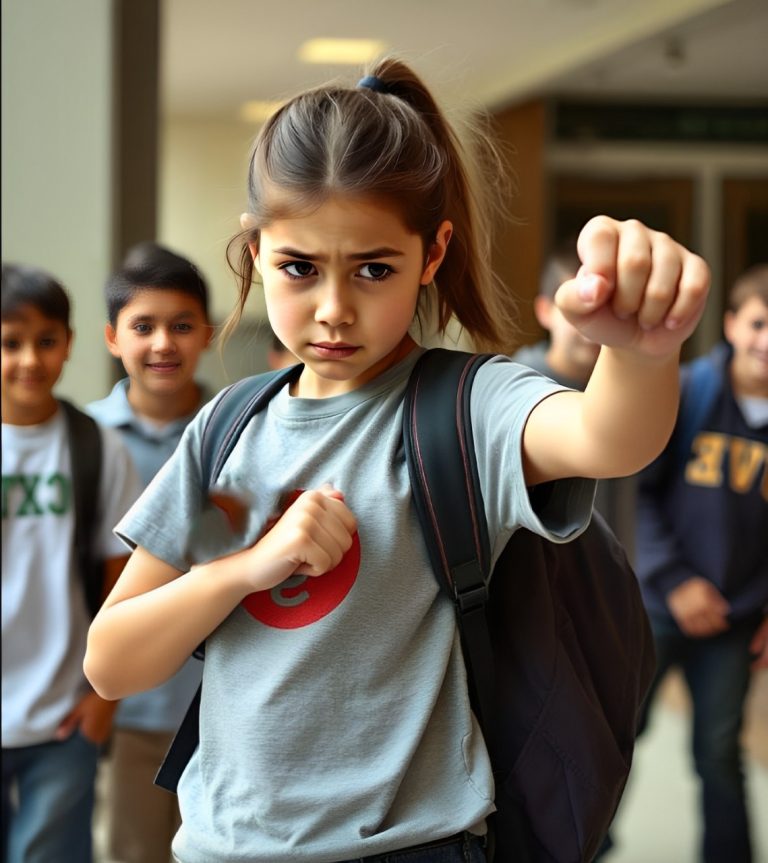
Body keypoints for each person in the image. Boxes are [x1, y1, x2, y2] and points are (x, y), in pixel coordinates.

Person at [83, 57, 709, 863]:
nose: (335, 309)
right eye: (299, 269)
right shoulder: (227, 427)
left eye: (374, 268)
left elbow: (605, 437)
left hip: (414, 845)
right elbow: (110, 661)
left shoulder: (464, 405)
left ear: (434, 250)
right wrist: (248, 567)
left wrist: (642, 352)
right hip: (221, 846)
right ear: (256, 245)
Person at [1, 263, 141, 863]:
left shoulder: (96, 446)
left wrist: (102, 702)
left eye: (46, 341)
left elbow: (124, 579)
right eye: (10, 343)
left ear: (70, 344)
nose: (29, 359)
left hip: (65, 717)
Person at [631, 263, 768, 863]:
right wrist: (675, 580)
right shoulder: (686, 390)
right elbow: (632, 492)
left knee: (717, 752)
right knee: (612, 737)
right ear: (734, 325)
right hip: (657, 605)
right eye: (760, 323)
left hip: (734, 618)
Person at [86, 242, 214, 863]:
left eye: (182, 326)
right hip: (124, 712)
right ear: (113, 338)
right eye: (144, 326)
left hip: (218, 704)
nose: (164, 343)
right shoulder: (85, 441)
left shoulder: (239, 433)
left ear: (207, 335)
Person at [512, 237, 636, 558]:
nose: (590, 326)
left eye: (601, 310)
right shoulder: (516, 392)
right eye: (577, 312)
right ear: (544, 311)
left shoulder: (625, 390)